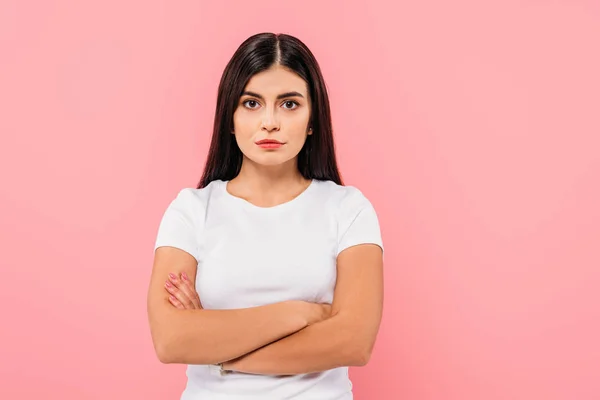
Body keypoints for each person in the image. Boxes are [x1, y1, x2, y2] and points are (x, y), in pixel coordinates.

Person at [147, 32, 384, 400]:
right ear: (230, 117)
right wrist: (300, 313)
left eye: (289, 104)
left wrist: (219, 353)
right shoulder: (192, 210)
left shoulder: (348, 209)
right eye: (252, 103)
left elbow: (353, 342)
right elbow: (171, 340)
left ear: (312, 119)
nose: (270, 122)